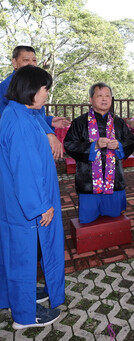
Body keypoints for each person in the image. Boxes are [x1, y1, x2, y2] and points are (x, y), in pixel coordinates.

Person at [0, 65, 64, 329]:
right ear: (30, 90)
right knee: (23, 256)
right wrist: (40, 207)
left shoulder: (19, 112)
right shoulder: (20, 123)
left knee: (15, 256)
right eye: (45, 88)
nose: (47, 94)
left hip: (17, 202)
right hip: (26, 204)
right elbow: (25, 171)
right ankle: (25, 316)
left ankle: (16, 297)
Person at [64, 83, 134, 223]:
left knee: (114, 220)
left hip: (114, 180)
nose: (104, 99)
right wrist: (93, 146)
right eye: (100, 96)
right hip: (88, 181)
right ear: (91, 99)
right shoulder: (79, 122)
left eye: (107, 96)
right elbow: (69, 145)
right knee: (88, 221)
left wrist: (119, 145)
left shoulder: (119, 122)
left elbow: (131, 141)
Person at [0, 45, 68, 159]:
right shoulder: (9, 86)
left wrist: (49, 120)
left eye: (34, 60)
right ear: (14, 62)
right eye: (26, 60)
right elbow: (17, 117)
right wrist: (49, 133)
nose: (31, 64)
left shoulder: (33, 84)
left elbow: (33, 114)